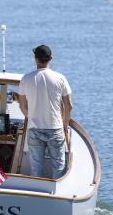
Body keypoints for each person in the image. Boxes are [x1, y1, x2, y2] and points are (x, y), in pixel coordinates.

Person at [17, 45, 73, 179]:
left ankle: (37, 194)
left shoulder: (26, 79)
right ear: (51, 58)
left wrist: (30, 117)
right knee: (58, 168)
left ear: (35, 59)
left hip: (34, 129)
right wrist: (65, 124)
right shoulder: (60, 78)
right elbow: (69, 106)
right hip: (55, 128)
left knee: (36, 168)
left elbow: (22, 105)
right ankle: (56, 195)